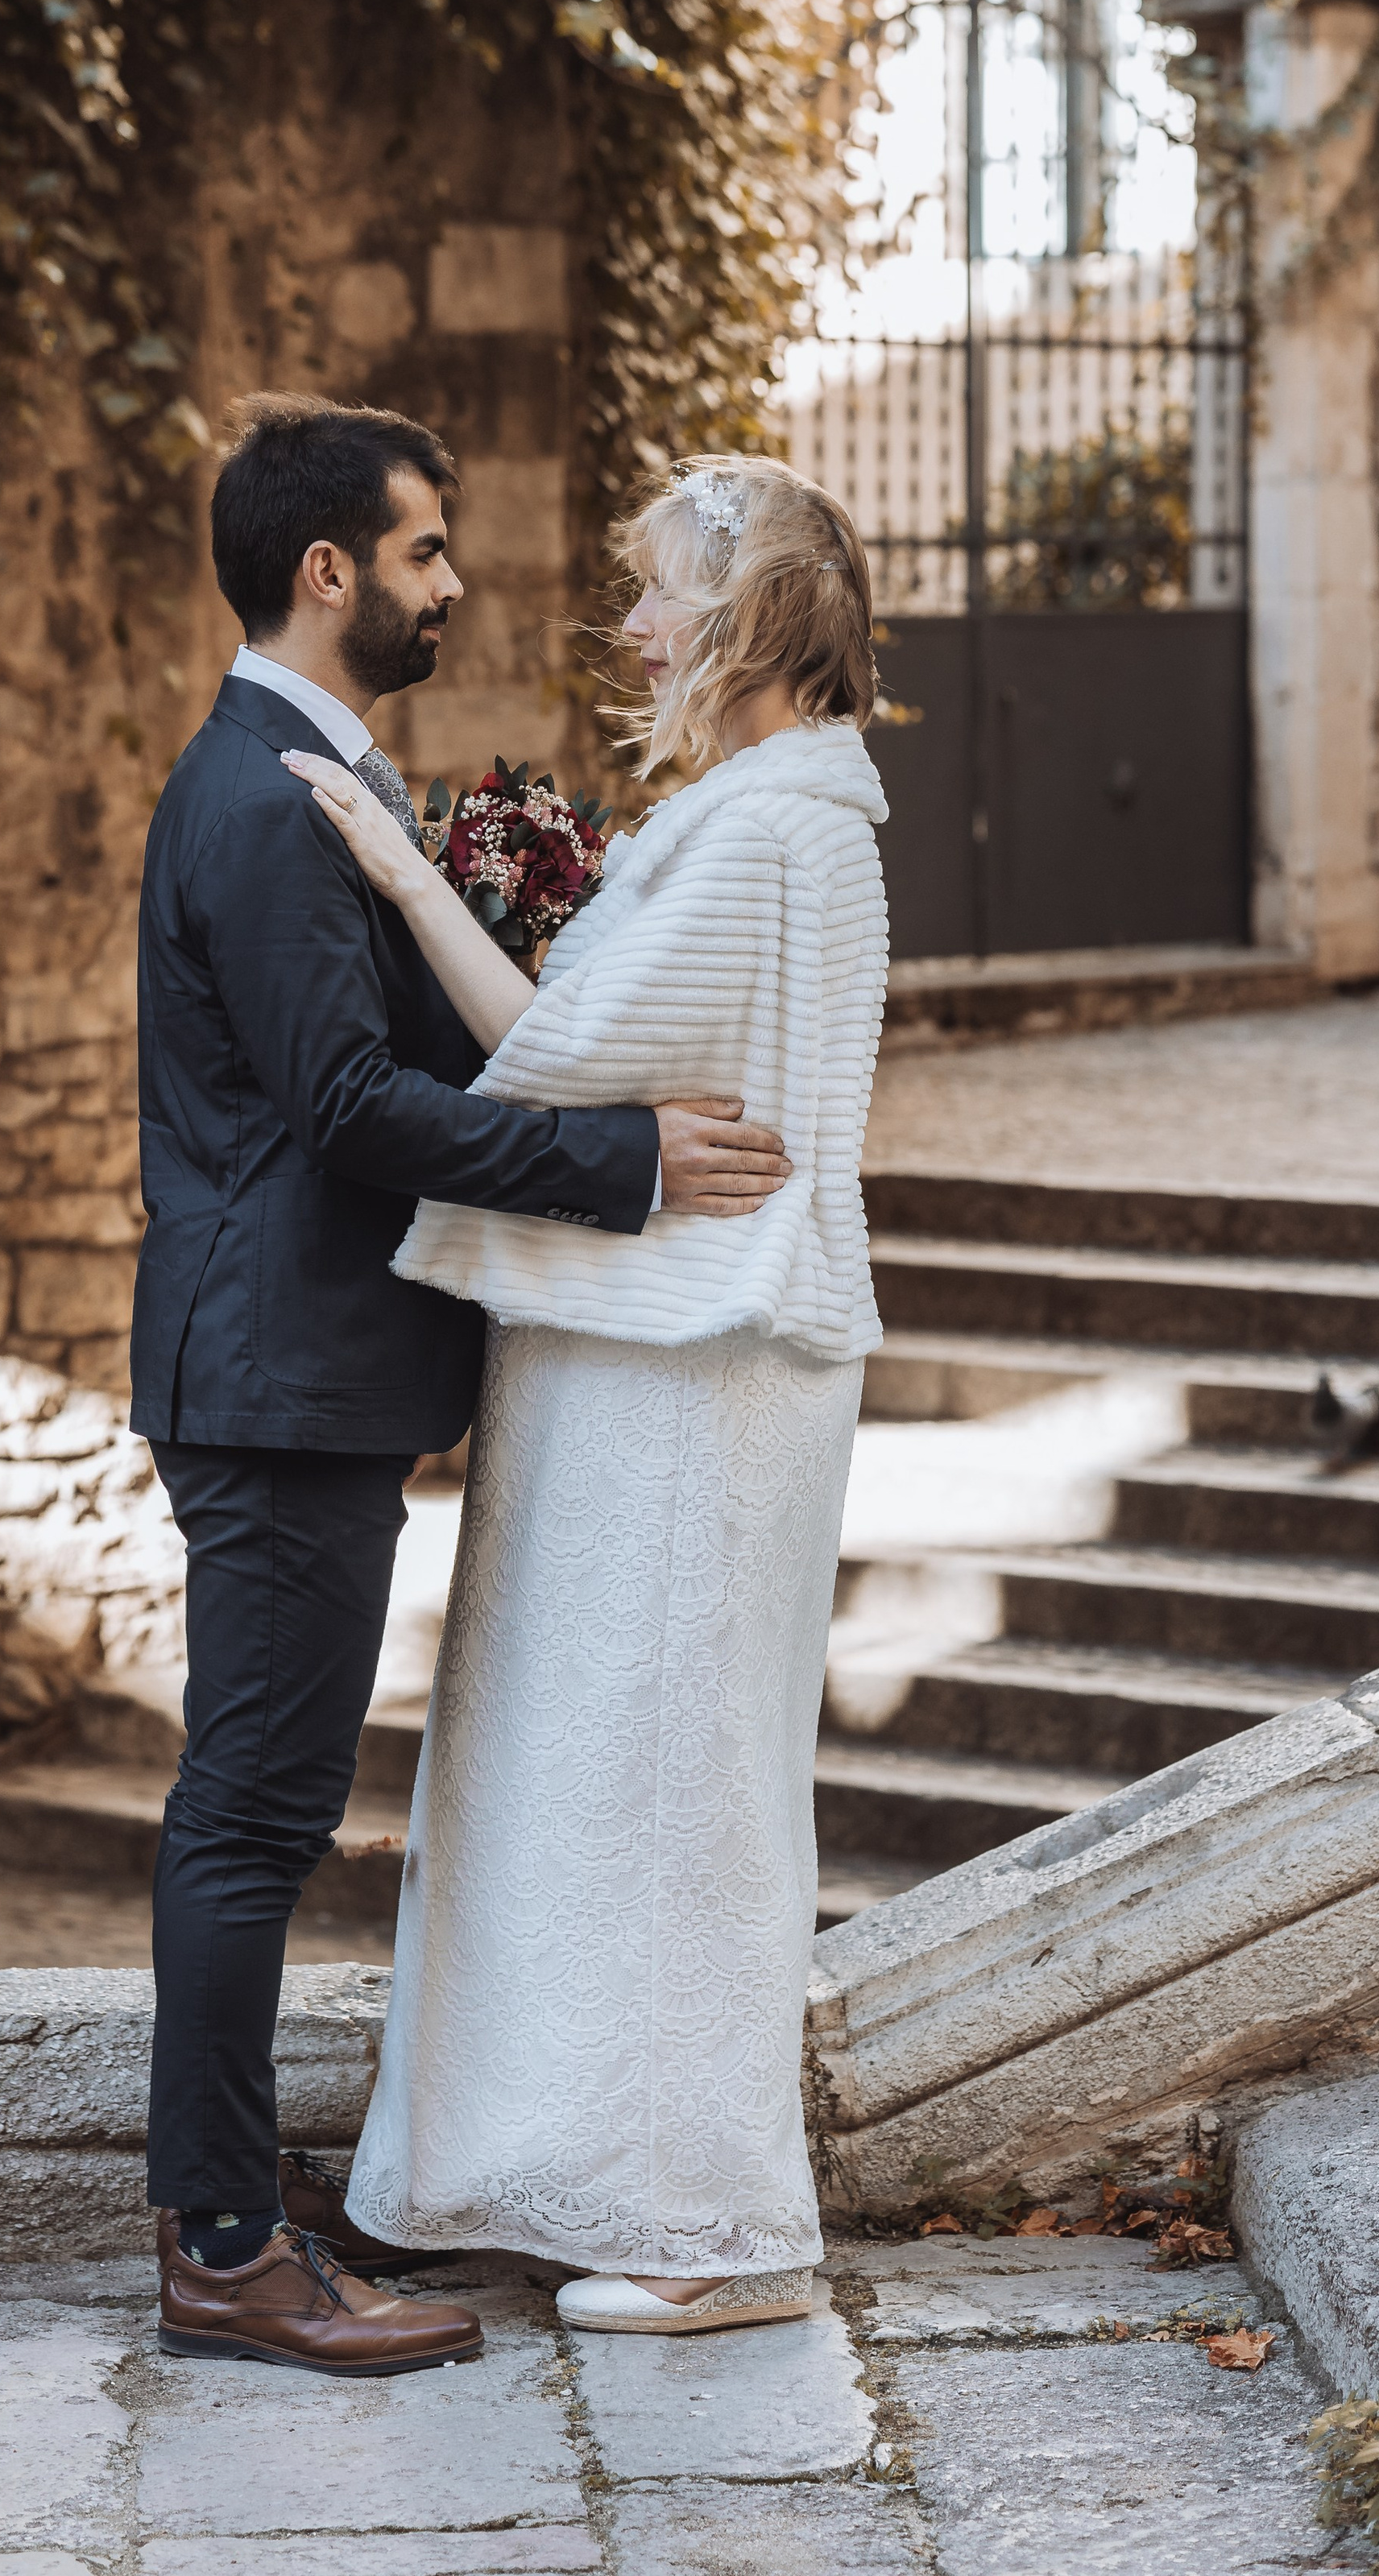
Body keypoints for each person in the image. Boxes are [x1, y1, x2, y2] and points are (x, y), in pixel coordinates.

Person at [133, 395, 795, 2376]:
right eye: (423, 552)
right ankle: (227, 2249)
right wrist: (629, 1163)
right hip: (274, 1378)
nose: (450, 585)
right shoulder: (260, 797)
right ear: (327, 571)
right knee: (251, 1812)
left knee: (261, 1802)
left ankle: (246, 2211)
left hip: (304, 1373)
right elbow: (343, 1105)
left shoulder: (313, 779)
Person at [283, 452, 890, 2338]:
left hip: (696, 1375)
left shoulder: (781, 827)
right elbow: (595, 1063)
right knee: (567, 1779)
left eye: (654, 594)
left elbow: (546, 1058)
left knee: (672, 1784)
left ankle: (708, 2229)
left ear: (740, 618)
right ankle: (537, 2166)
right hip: (637, 1355)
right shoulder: (751, 810)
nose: (626, 624)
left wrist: (391, 863)